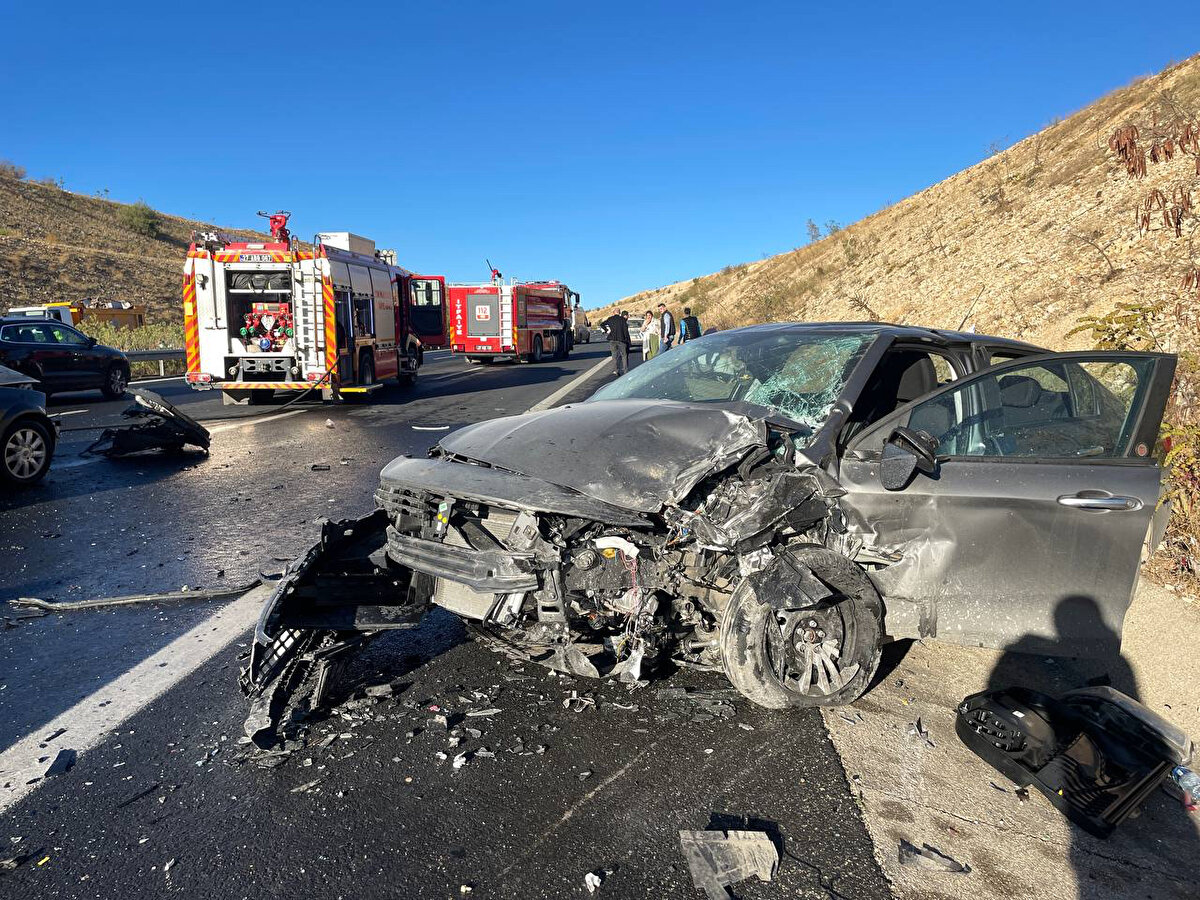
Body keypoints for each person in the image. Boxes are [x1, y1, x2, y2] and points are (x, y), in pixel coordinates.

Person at [601, 309, 632, 376]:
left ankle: (616, 370)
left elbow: (602, 324)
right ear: (619, 313)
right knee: (624, 355)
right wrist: (628, 340)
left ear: (613, 313)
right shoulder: (622, 319)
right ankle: (625, 371)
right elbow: (625, 331)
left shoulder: (610, 319)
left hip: (612, 340)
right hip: (621, 340)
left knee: (614, 356)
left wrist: (606, 330)